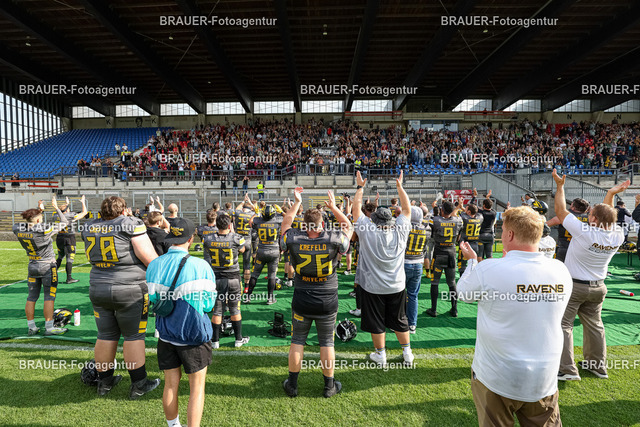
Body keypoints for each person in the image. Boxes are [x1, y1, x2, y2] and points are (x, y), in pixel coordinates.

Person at [457, 206, 573, 426]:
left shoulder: (489, 269)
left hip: (497, 377)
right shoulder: (560, 270)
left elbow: (463, 293)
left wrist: (472, 261)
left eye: (503, 231)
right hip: (544, 377)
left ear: (509, 234)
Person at [82, 196, 160, 398]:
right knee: (134, 336)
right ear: (124, 210)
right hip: (129, 288)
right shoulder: (130, 224)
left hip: (98, 286)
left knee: (105, 335)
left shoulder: (90, 226)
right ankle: (139, 384)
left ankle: (104, 382)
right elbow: (150, 259)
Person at [553, 170, 628, 381]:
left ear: (594, 218)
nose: (588, 214)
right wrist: (610, 193)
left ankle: (567, 370)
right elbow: (608, 215)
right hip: (598, 287)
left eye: (591, 213)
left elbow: (560, 211)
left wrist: (560, 187)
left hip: (575, 286)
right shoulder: (617, 234)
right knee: (595, 326)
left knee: (564, 325)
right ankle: (597, 366)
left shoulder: (584, 231)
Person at [281, 188, 352, 398]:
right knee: (327, 342)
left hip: (302, 296)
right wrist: (334, 208)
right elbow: (349, 226)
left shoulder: (294, 238)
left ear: (304, 225)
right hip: (327, 297)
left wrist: (296, 202)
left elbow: (286, 223)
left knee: (297, 340)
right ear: (322, 224)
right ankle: (329, 386)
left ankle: (292, 385)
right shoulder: (333, 238)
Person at [146, 218, 217, 427]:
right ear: (191, 239)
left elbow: (154, 299)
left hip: (166, 334)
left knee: (170, 385)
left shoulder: (154, 264)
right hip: (194, 335)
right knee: (197, 388)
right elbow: (208, 305)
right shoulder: (201, 266)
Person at [352, 171, 414, 365]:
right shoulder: (400, 230)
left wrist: (360, 187)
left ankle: (381, 354)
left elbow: (355, 210)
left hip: (373, 286)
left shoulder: (367, 230)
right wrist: (400, 187)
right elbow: (407, 209)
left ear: (375, 219)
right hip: (397, 284)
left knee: (377, 321)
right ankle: (407, 352)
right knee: (400, 319)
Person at [13, 197, 69, 336]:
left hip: (32, 265)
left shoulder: (18, 229)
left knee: (31, 297)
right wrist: (56, 208)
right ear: (38, 221)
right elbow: (64, 222)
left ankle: (31, 327)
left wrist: (39, 211)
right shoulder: (42, 231)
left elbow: (29, 223)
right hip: (47, 266)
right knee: (49, 297)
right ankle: (49, 327)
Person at [203, 213, 250, 349]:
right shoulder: (236, 238)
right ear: (229, 225)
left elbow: (207, 249)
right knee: (235, 309)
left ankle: (215, 341)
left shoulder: (208, 238)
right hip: (233, 277)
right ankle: (238, 340)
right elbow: (243, 249)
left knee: (217, 310)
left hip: (217, 278)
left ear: (216, 224)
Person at [426, 199, 462, 317]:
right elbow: (459, 234)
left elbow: (430, 224)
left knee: (435, 282)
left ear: (442, 210)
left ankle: (433, 309)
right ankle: (455, 309)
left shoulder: (435, 220)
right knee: (452, 283)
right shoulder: (458, 220)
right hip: (451, 253)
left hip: (439, 253)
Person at [246, 204, 283, 304]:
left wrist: (256, 213)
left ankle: (248, 297)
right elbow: (289, 218)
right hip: (274, 251)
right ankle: (270, 298)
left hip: (261, 250)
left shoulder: (258, 221)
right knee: (272, 275)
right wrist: (281, 211)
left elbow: (250, 222)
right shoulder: (278, 221)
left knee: (255, 274)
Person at [404, 206, 431, 334]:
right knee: (413, 296)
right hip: (418, 264)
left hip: (404, 263)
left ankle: (399, 322)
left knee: (399, 295)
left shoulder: (406, 227)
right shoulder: (428, 229)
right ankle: (412, 324)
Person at [53, 195, 89, 283]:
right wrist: (83, 202)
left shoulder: (55, 215)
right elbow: (84, 212)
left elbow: (62, 212)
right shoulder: (70, 215)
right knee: (69, 258)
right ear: (66, 210)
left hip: (59, 237)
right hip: (69, 238)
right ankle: (69, 278)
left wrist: (66, 204)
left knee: (60, 257)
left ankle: (51, 275)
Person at [546, 198, 589, 262]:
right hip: (582, 249)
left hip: (565, 248)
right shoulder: (590, 218)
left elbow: (545, 225)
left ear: (573, 206)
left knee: (561, 267)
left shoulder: (565, 216)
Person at [233, 194, 255, 289]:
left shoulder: (238, 213)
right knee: (247, 265)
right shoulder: (252, 214)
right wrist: (250, 202)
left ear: (243, 208)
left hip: (238, 240)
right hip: (247, 240)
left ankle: (235, 282)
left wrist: (243, 201)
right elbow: (257, 211)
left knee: (234, 263)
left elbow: (236, 209)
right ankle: (246, 286)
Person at [457, 202, 483, 276]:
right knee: (473, 263)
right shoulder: (480, 217)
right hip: (475, 244)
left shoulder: (464, 218)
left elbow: (462, 214)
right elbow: (474, 213)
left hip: (465, 244)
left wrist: (460, 206)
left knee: (462, 263)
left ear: (468, 212)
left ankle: (462, 277)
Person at [477, 192, 496, 262]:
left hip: (481, 234)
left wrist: (475, 196)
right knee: (489, 255)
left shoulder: (481, 213)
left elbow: (472, 206)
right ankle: (489, 268)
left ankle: (480, 267)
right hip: (490, 235)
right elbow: (490, 207)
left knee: (480, 255)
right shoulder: (493, 213)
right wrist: (488, 198)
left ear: (484, 205)